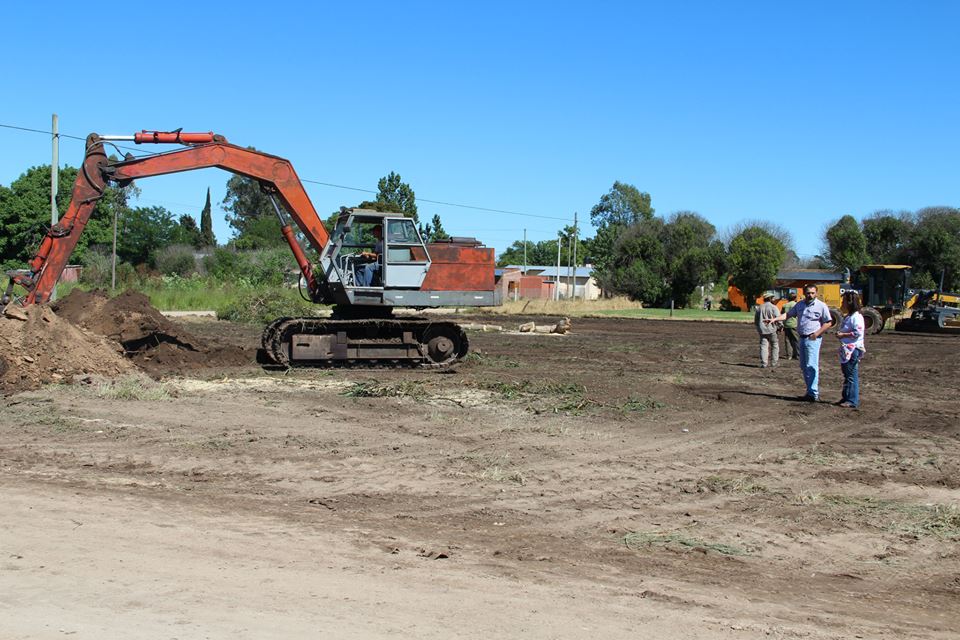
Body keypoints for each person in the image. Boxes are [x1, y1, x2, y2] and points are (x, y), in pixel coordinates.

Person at [766, 284, 834, 402]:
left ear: (816, 293)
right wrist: (775, 319)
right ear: (804, 293)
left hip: (813, 339)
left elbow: (828, 322)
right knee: (804, 366)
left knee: (812, 366)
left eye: (812, 293)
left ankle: (814, 393)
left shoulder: (821, 306)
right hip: (802, 338)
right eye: (808, 293)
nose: (810, 295)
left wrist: (817, 334)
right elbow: (788, 314)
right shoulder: (800, 305)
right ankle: (809, 391)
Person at [835, 291, 866, 408]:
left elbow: (857, 332)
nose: (842, 304)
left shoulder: (856, 317)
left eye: (843, 301)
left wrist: (843, 335)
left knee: (851, 375)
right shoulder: (849, 316)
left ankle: (852, 400)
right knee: (848, 375)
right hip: (847, 349)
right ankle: (847, 397)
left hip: (853, 350)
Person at [754, 291, 780, 368]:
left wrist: (759, 327)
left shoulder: (759, 307)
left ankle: (764, 363)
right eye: (773, 298)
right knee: (775, 345)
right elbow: (778, 318)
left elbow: (756, 320)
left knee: (763, 346)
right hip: (772, 329)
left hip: (762, 330)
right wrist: (780, 326)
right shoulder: (774, 307)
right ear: (770, 298)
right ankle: (774, 363)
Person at [781, 290, 800, 360]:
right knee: (796, 340)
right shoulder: (796, 305)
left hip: (786, 324)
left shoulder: (784, 305)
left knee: (787, 340)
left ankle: (789, 355)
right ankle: (797, 354)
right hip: (794, 324)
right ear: (795, 298)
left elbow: (782, 314)